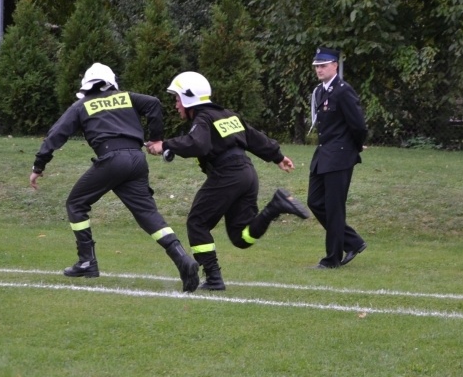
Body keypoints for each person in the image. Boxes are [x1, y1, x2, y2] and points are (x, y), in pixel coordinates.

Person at [29, 62, 200, 292]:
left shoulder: (82, 105)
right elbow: (154, 103)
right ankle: (183, 259)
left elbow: (55, 135)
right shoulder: (126, 97)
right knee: (148, 215)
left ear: (87, 86)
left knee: (76, 203)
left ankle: (87, 261)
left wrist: (39, 165)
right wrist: (156, 138)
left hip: (111, 159)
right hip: (137, 160)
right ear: (111, 82)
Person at [146, 71, 310, 291]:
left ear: (189, 97)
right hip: (247, 174)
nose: (176, 105)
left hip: (228, 175)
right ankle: (275, 206)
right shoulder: (227, 114)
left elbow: (198, 144)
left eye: (177, 99)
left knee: (197, 222)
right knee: (241, 238)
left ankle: (213, 279)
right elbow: (252, 136)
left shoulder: (203, 118)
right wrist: (277, 156)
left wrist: (165, 145)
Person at [307, 47, 368, 268]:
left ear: (335, 66)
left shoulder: (343, 91)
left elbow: (358, 124)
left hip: (340, 156)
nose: (319, 70)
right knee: (314, 202)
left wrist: (356, 146)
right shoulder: (321, 91)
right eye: (317, 66)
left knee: (334, 208)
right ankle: (353, 242)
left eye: (323, 65)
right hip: (324, 155)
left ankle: (332, 259)